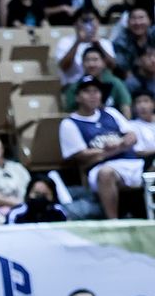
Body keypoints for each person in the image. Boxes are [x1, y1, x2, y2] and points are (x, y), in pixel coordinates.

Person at [59, 77, 144, 220]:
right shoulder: (69, 123)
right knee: (106, 174)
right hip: (100, 167)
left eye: (96, 91)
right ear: (78, 97)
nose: (93, 95)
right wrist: (117, 148)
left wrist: (120, 143)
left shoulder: (111, 112)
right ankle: (113, 222)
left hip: (132, 162)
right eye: (87, 91)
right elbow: (80, 155)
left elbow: (132, 136)